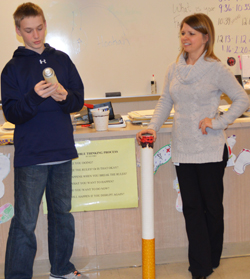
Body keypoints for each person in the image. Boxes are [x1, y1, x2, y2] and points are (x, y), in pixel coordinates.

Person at [136, 13, 249, 279]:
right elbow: (165, 101)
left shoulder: (216, 68)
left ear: (205, 38)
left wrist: (218, 122)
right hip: (183, 148)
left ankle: (211, 257)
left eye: (191, 34)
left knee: (211, 207)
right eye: (183, 33)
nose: (185, 38)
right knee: (191, 208)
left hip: (210, 149)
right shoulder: (175, 68)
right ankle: (200, 264)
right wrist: (152, 126)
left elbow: (241, 99)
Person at [1, 3, 88, 279]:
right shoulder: (12, 69)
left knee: (62, 215)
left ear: (45, 25)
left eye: (39, 28)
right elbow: (13, 113)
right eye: (28, 30)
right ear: (18, 31)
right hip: (32, 154)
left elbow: (78, 100)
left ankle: (61, 269)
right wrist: (35, 96)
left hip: (62, 150)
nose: (36, 35)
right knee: (25, 222)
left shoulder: (62, 59)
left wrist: (64, 97)